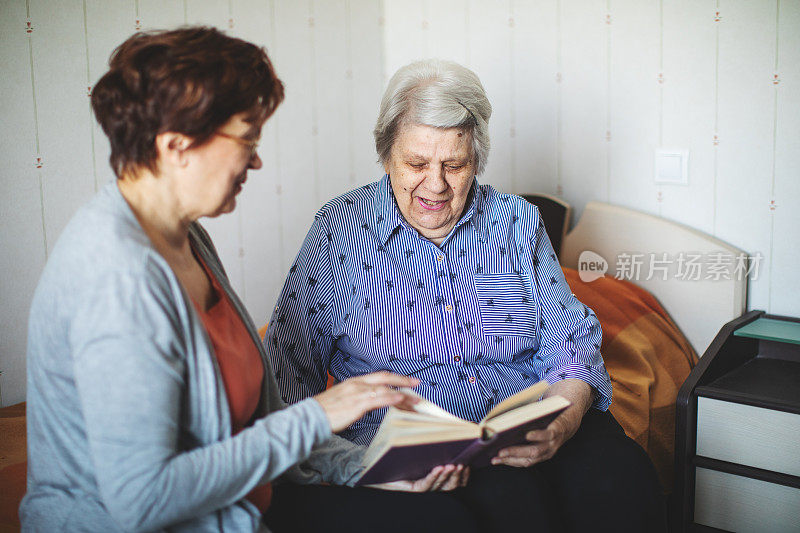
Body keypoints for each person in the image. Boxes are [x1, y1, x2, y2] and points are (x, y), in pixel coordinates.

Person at [21, 29, 471, 533]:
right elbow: (143, 501)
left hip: (240, 508)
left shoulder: (188, 237)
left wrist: (373, 468)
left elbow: (262, 427)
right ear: (176, 147)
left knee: (444, 512)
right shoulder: (115, 277)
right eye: (246, 141)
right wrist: (317, 415)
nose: (256, 161)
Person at [266, 59, 666, 532]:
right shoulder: (340, 230)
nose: (435, 185)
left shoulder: (516, 222)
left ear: (476, 159)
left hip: (522, 420)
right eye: (416, 163)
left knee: (624, 479)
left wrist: (565, 417)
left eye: (454, 165)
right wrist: (343, 463)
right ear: (386, 155)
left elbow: (570, 339)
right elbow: (287, 368)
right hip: (414, 444)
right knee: (507, 504)